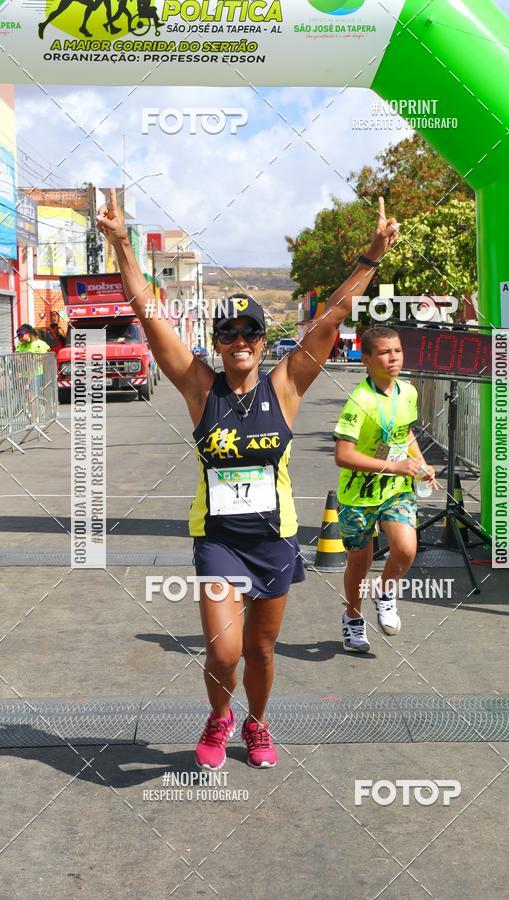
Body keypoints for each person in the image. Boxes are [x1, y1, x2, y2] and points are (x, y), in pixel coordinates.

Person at [96, 188, 400, 769]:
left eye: (251, 333)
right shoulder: (197, 386)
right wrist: (121, 246)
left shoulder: (284, 387)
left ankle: (257, 724)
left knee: (261, 650)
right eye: (229, 334)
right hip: (218, 541)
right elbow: (148, 313)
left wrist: (371, 258)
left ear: (263, 342)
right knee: (225, 647)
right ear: (216, 343)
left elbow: (331, 317)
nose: (240, 342)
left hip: (274, 539)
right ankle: (219, 716)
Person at [333, 325, 436, 653]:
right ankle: (352, 618)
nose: (393, 358)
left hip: (396, 488)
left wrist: (420, 465)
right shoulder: (359, 400)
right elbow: (343, 455)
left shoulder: (409, 392)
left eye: (397, 351)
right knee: (359, 565)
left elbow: (404, 434)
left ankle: (386, 591)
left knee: (406, 549)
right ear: (366, 359)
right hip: (358, 494)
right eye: (384, 353)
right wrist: (395, 465)